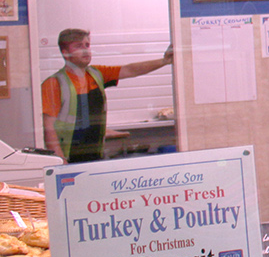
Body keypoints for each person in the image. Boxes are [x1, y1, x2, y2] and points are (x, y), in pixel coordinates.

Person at [41, 28, 174, 163]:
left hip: (95, 155)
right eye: (78, 46)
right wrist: (59, 160)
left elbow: (130, 70)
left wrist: (164, 61)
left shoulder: (97, 73)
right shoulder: (54, 83)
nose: (85, 50)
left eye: (87, 45)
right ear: (65, 53)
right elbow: (49, 127)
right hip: (68, 157)